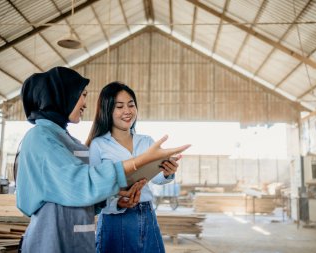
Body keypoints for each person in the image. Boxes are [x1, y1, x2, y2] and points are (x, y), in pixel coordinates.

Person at [16, 67, 190, 253]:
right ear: (61, 95)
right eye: (81, 95)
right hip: (54, 235)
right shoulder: (42, 138)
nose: (85, 103)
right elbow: (82, 183)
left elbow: (84, 193)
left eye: (131, 105)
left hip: (124, 218)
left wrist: (163, 174)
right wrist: (136, 163)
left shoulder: (63, 138)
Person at [86, 81, 183, 253]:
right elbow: (95, 190)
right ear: (107, 110)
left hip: (147, 214)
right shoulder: (98, 145)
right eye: (119, 106)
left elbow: (156, 178)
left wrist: (168, 172)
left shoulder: (146, 141)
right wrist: (119, 203)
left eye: (131, 105)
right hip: (115, 219)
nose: (127, 111)